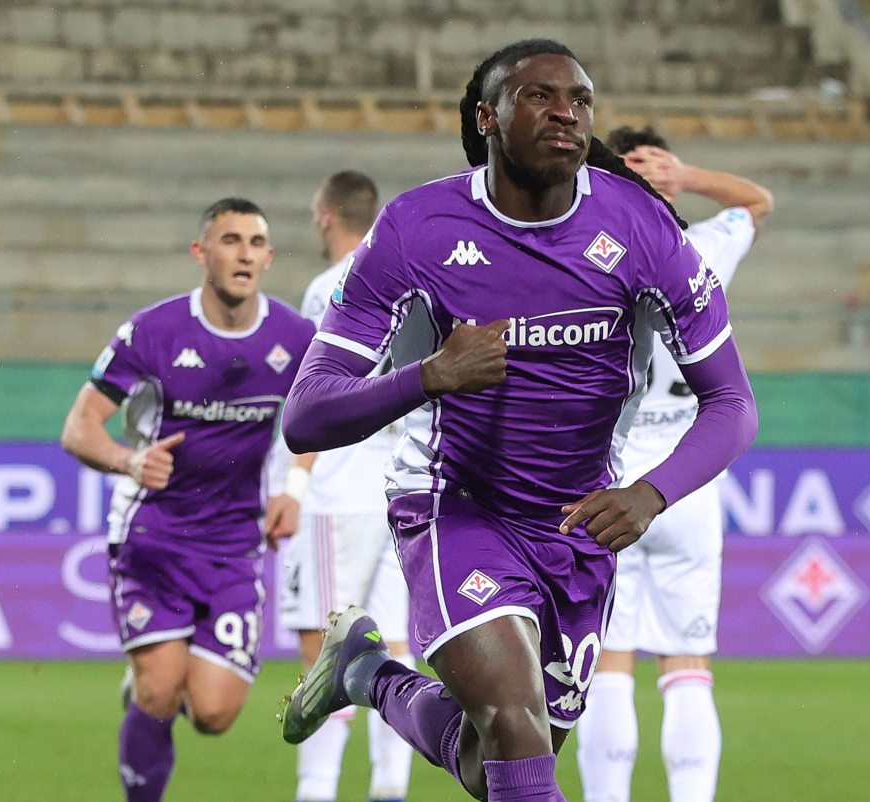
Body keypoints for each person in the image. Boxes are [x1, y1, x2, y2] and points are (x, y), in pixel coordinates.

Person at [276, 39, 758, 802]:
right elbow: (306, 414)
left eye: (580, 100)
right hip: (454, 506)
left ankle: (364, 672)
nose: (566, 111)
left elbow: (732, 403)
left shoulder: (644, 228)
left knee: (492, 758)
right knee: (517, 730)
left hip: (579, 522)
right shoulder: (416, 229)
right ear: (488, 116)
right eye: (539, 95)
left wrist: (650, 494)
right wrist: (430, 375)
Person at [60, 198, 316, 802]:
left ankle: (153, 689)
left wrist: (294, 488)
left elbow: (315, 424)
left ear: (269, 258)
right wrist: (129, 460)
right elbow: (79, 427)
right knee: (160, 691)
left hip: (234, 546)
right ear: (202, 253)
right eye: (230, 240)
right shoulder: (152, 332)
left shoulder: (293, 338)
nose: (244, 254)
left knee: (213, 713)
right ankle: (148, 705)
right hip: (152, 536)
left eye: (256, 243)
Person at [575, 126, 772, 802]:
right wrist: (686, 174)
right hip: (689, 482)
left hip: (610, 481)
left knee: (608, 666)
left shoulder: (588, 254)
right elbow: (758, 201)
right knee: (688, 668)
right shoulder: (704, 250)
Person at [277, 171, 416, 802]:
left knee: (327, 649)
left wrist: (294, 487)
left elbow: (316, 394)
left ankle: (317, 791)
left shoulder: (329, 286)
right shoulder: (414, 276)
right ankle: (390, 785)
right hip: (406, 483)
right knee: (393, 645)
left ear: (327, 215)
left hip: (339, 488)